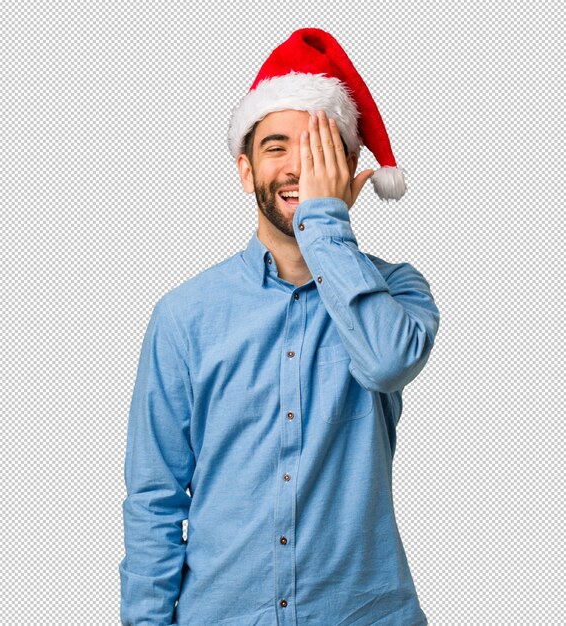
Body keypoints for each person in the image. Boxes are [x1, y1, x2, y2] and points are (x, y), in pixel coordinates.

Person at [119, 27, 440, 626]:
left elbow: (386, 362)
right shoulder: (183, 316)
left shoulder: (400, 291)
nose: (298, 167)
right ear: (244, 171)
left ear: (349, 168)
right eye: (276, 147)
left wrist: (324, 222)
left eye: (319, 147)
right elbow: (155, 501)